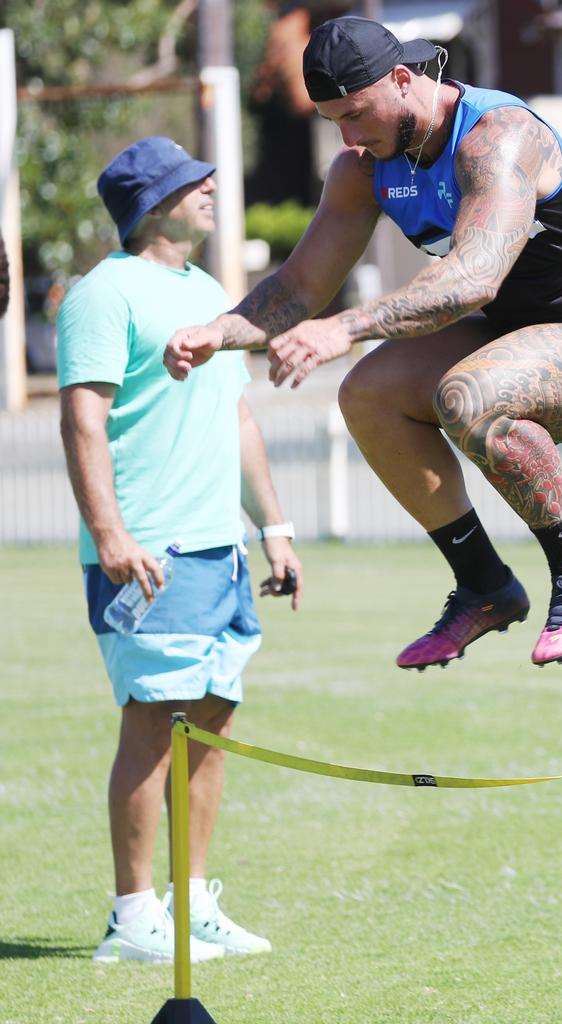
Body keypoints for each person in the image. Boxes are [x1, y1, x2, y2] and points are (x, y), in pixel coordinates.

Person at [164, 17, 562, 672]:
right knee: (368, 395)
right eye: (334, 123)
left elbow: (475, 277)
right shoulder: (365, 170)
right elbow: (298, 289)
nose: (350, 137)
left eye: (356, 114)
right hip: (517, 339)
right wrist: (220, 330)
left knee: (469, 395)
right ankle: (484, 585)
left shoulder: (496, 137)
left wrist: (344, 327)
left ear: (404, 79)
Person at [57, 136, 303, 964]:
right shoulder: (103, 295)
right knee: (153, 724)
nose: (210, 188)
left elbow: (236, 417)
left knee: (213, 720)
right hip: (149, 553)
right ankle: (133, 918)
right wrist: (110, 534)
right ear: (154, 203)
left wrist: (272, 529)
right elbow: (82, 418)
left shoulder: (207, 292)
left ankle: (191, 905)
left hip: (218, 552)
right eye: (193, 182)